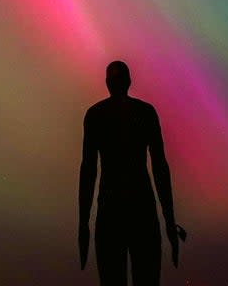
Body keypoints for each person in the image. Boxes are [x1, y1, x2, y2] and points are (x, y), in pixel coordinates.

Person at [78, 60, 183, 285]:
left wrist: (83, 223)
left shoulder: (96, 115)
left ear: (107, 83)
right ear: (129, 82)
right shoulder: (144, 112)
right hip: (141, 209)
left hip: (112, 210)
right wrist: (169, 219)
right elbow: (160, 168)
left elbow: (88, 170)